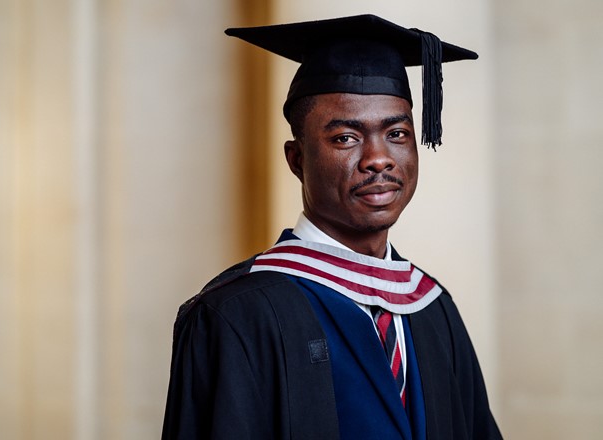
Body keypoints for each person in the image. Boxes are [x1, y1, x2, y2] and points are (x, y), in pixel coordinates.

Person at [162, 14, 502, 440]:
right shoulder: (238, 313)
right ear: (296, 159)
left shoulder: (431, 307)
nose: (378, 158)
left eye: (397, 133)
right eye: (345, 137)